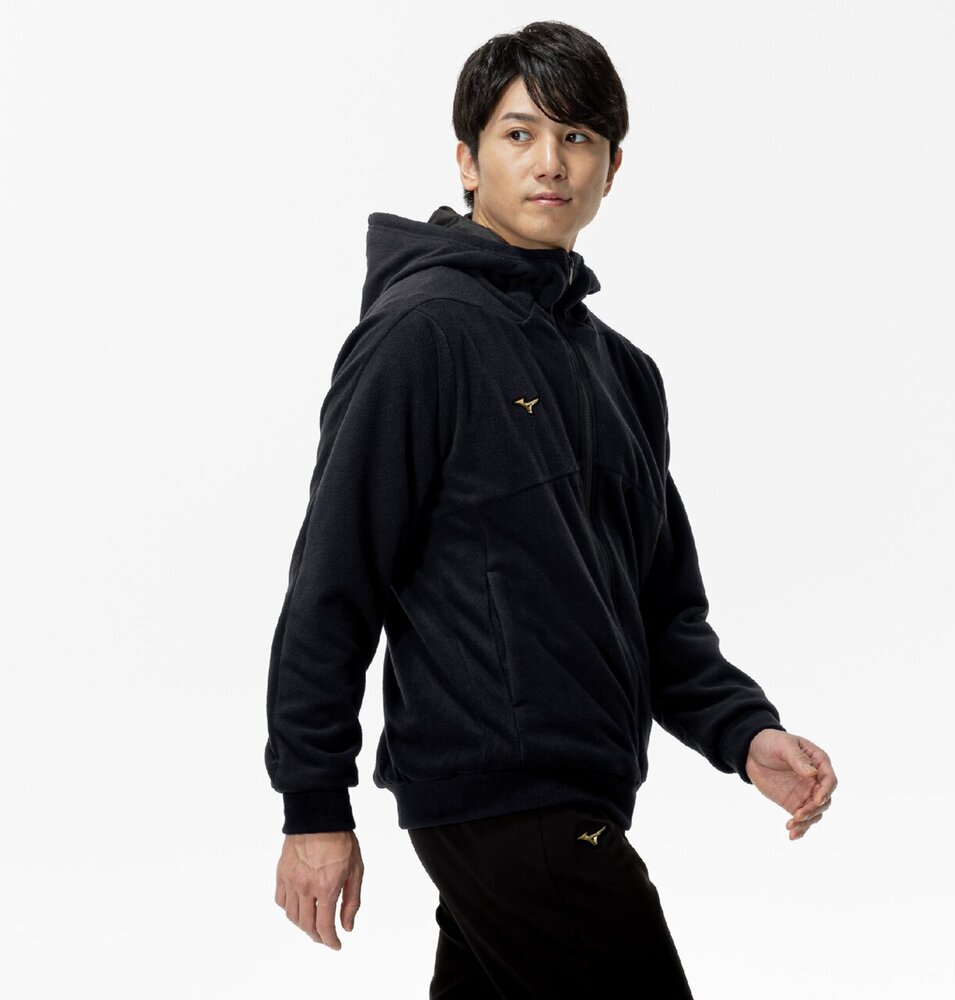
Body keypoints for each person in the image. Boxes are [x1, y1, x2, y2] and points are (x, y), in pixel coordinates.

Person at [265, 19, 837, 998]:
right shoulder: (423, 334)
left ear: (613, 166)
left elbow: (660, 609)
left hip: (573, 793)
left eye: (578, 137)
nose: (551, 162)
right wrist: (313, 804)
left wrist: (745, 733)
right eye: (519, 133)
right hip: (501, 793)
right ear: (467, 159)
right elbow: (334, 578)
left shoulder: (623, 373)